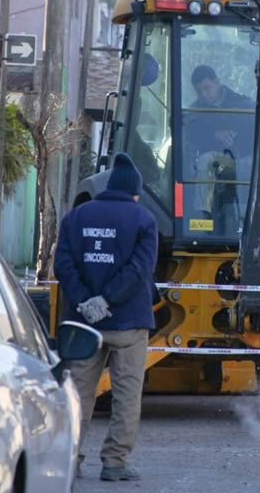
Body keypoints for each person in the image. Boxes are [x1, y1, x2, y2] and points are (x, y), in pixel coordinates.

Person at [54, 152, 158, 482]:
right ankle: (114, 463)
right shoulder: (144, 219)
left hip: (84, 325)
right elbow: (140, 269)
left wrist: (87, 301)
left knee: (78, 395)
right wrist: (108, 299)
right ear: (135, 192)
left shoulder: (77, 217)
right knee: (126, 396)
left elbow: (63, 265)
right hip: (128, 323)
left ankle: (70, 460)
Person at [185, 66, 255, 232]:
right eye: (199, 91)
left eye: (206, 88)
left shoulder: (243, 104)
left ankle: (255, 216)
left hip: (246, 160)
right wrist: (214, 136)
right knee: (206, 161)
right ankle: (203, 218)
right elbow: (190, 135)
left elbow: (255, 132)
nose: (203, 94)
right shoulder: (195, 112)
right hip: (222, 163)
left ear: (217, 82)